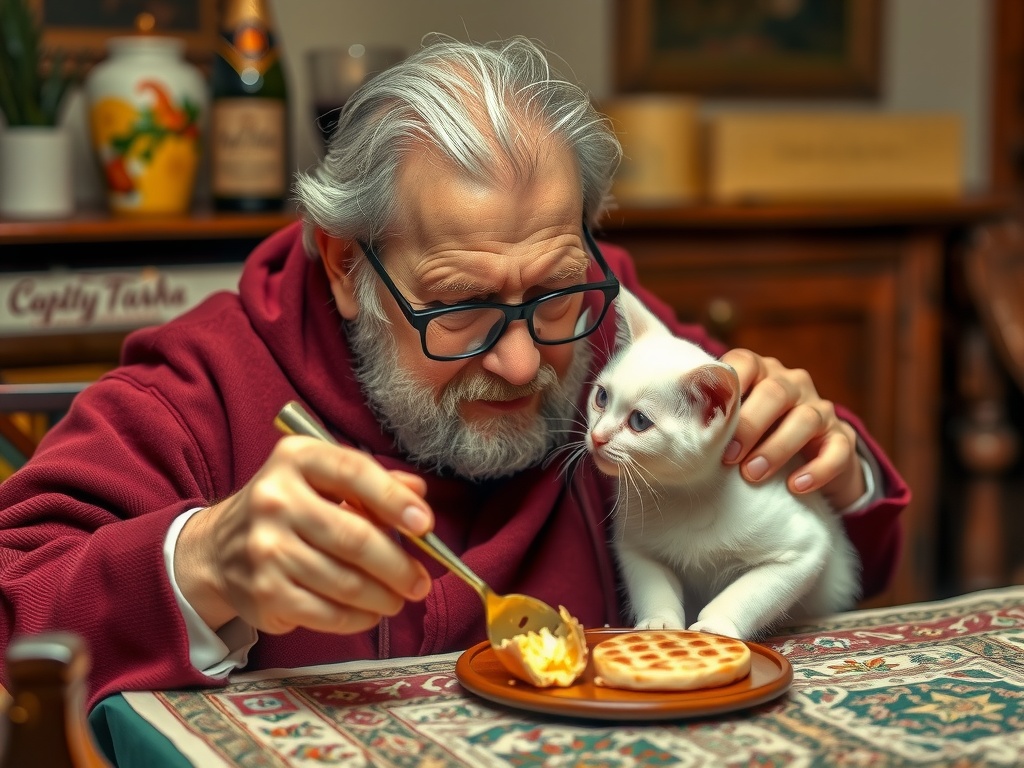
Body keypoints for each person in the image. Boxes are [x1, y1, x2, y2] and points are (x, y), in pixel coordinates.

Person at [0, 35, 908, 707]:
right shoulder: (202, 384)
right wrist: (199, 565)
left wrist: (832, 463)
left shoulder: (607, 324)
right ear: (348, 268)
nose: (520, 362)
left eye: (552, 294)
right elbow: (14, 607)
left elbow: (847, 553)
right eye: (460, 307)